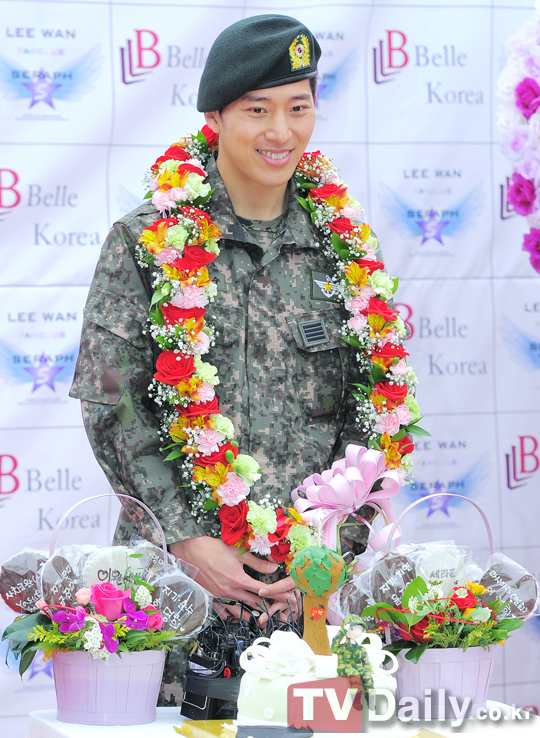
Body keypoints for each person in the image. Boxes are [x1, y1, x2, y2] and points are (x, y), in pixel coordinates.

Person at [70, 14, 373, 703]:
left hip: (312, 598)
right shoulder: (148, 241)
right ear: (215, 116)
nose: (281, 131)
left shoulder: (345, 250)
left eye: (298, 107)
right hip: (176, 598)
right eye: (257, 110)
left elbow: (372, 414)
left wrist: (333, 545)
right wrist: (186, 539)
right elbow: (111, 398)